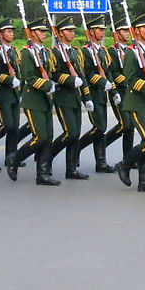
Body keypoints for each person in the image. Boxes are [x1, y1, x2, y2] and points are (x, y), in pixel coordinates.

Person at [114, 13, 145, 193]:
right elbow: (131, 79)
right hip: (136, 102)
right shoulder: (131, 52)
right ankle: (124, 164)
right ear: (136, 30)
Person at [8, 17, 58, 185]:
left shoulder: (45, 52)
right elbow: (29, 77)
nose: (44, 34)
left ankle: (43, 174)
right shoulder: (27, 52)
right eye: (40, 31)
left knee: (48, 137)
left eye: (45, 31)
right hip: (33, 100)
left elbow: (51, 72)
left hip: (45, 100)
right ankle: (14, 159)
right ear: (32, 33)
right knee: (40, 136)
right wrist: (47, 85)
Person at [49, 15, 92, 180]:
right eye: (68, 31)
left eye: (73, 31)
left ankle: (71, 168)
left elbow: (81, 74)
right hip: (62, 97)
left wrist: (86, 97)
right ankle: (47, 155)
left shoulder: (75, 52)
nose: (72, 33)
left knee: (76, 134)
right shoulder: (55, 53)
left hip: (75, 98)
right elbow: (53, 74)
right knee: (70, 133)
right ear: (60, 33)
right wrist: (70, 80)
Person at [78, 15, 116, 173]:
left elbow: (107, 72)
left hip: (102, 95)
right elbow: (87, 73)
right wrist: (101, 82)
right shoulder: (85, 52)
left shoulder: (102, 51)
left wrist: (113, 91)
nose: (102, 33)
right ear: (91, 31)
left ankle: (101, 162)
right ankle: (77, 147)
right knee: (99, 128)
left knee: (103, 128)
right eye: (99, 30)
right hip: (92, 94)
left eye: (103, 30)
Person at [0, 18, 27, 170]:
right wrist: (10, 80)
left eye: (12, 31)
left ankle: (11, 157)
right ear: (1, 34)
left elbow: (19, 72)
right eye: (8, 31)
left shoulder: (15, 52)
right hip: (3, 93)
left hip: (14, 94)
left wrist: (20, 87)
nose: (11, 34)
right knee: (8, 125)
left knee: (15, 127)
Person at [104, 18, 134, 163]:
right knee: (125, 124)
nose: (127, 33)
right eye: (124, 30)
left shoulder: (129, 50)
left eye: (128, 30)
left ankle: (127, 158)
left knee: (131, 126)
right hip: (119, 91)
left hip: (129, 93)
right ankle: (101, 145)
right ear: (116, 33)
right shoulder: (111, 51)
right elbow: (112, 73)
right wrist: (126, 82)